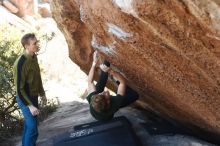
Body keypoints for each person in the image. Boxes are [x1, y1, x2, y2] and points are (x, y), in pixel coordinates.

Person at [13, 33, 47, 146]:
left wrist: (42, 93)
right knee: (33, 128)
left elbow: (37, 77)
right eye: (34, 43)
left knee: (29, 127)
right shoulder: (20, 63)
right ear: (26, 46)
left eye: (37, 42)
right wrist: (30, 106)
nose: (37, 45)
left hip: (34, 97)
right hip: (24, 99)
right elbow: (19, 89)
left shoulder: (34, 57)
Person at [86, 51, 139, 121]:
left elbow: (90, 81)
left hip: (100, 105)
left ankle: (106, 64)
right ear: (108, 101)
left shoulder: (93, 98)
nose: (104, 91)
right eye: (104, 94)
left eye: (101, 93)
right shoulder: (116, 102)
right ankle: (113, 77)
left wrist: (94, 62)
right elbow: (122, 82)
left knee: (102, 79)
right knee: (134, 95)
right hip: (106, 115)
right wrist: (111, 71)